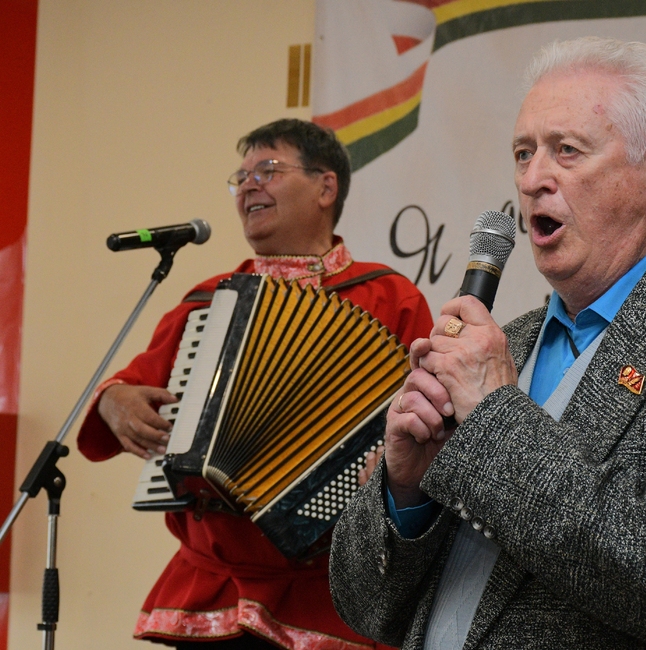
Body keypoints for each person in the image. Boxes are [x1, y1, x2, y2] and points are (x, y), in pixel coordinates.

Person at [329, 36, 646, 649]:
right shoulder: (509, 344)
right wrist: (405, 492)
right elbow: (364, 609)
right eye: (523, 153)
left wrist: (494, 421)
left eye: (567, 150)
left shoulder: (486, 378)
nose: (532, 179)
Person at [77, 118, 433, 649]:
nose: (248, 186)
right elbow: (131, 386)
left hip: (329, 595)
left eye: (267, 170)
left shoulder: (390, 297)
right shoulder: (208, 303)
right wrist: (112, 400)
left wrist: (394, 462)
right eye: (240, 177)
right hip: (211, 586)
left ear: (326, 187)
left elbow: (430, 420)